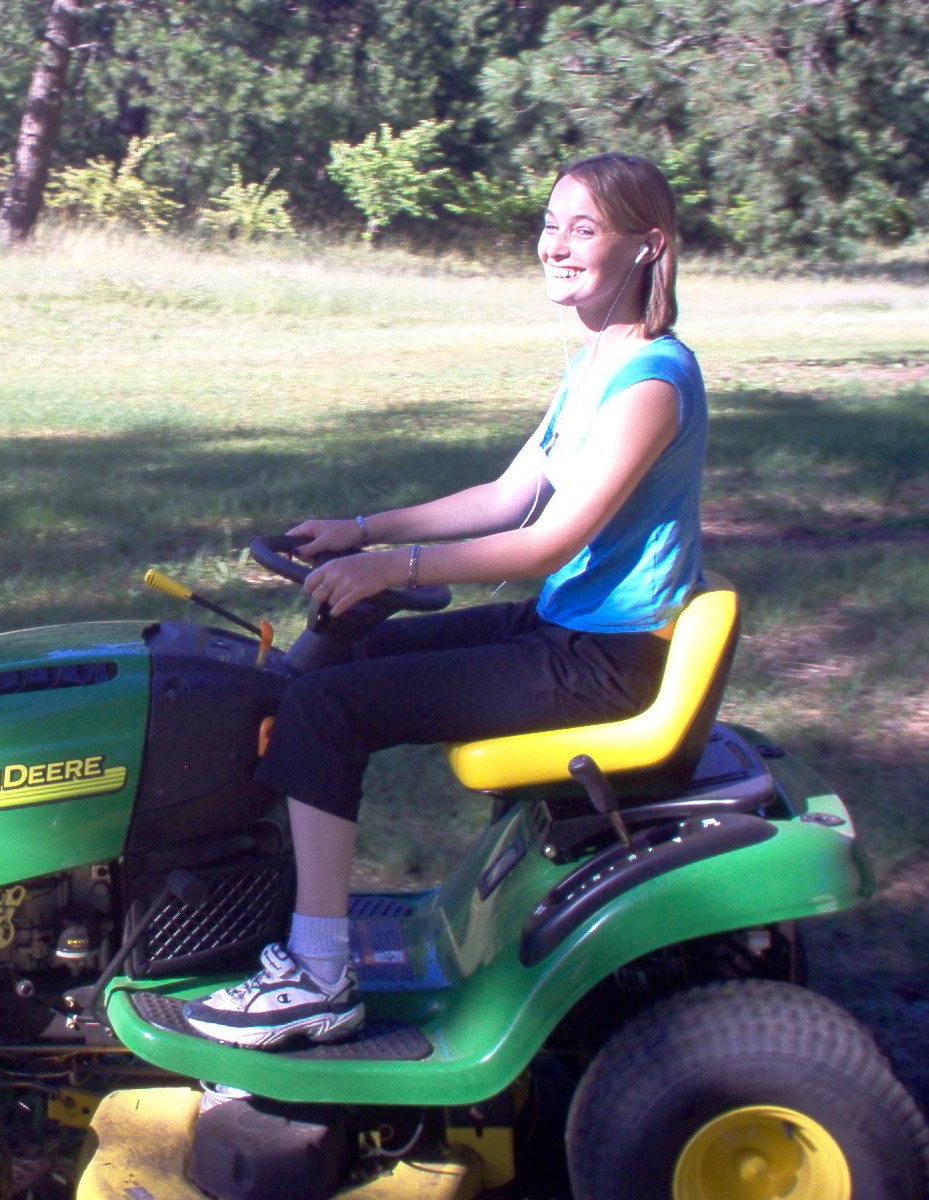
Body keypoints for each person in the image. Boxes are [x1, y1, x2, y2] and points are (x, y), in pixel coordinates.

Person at [185, 152, 708, 1050]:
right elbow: (507, 496)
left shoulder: (652, 382)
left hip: (606, 661)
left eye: (583, 229)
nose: (555, 245)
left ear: (645, 246)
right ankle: (275, 918)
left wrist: (394, 566)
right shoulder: (598, 362)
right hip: (566, 631)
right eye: (550, 224)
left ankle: (318, 976)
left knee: (323, 705)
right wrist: (360, 528)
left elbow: (547, 541)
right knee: (342, 659)